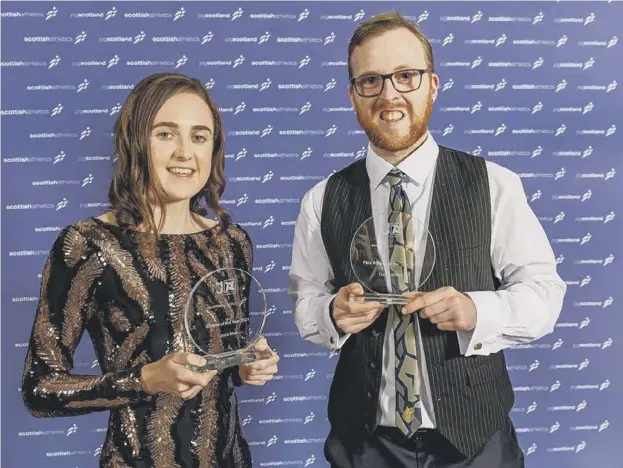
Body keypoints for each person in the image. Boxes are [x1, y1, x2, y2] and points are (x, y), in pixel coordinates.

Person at [288, 12, 566, 468]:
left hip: (477, 443)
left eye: (406, 76)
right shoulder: (322, 200)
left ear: (432, 85)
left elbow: (545, 294)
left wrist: (478, 310)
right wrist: (331, 312)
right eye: (371, 81)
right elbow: (306, 303)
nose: (389, 94)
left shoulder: (493, 184)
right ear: (353, 95)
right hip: (364, 443)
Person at [21, 72, 280, 468]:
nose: (184, 152)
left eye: (199, 136)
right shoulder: (90, 243)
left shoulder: (232, 242)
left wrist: (244, 366)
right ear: (135, 142)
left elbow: (217, 365)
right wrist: (142, 381)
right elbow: (40, 389)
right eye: (165, 134)